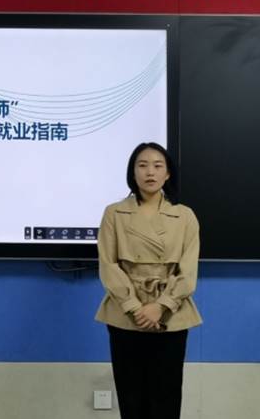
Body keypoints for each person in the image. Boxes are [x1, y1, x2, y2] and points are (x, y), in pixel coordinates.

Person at [95, 142, 202, 419]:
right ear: (133, 173)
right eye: (142, 165)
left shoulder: (185, 216)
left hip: (171, 314)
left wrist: (161, 306)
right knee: (131, 395)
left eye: (157, 166)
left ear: (168, 173)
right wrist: (134, 307)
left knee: (166, 395)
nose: (150, 172)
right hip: (125, 314)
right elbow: (108, 265)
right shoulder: (114, 213)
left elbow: (188, 271)